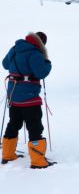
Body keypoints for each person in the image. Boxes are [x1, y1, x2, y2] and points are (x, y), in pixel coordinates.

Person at [2, 32, 54, 168]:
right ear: (41, 43)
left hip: (13, 96)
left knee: (13, 124)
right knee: (35, 127)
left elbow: (5, 64)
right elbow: (41, 73)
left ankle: (7, 155)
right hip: (30, 98)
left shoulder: (15, 48)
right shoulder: (35, 53)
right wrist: (47, 63)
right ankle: (38, 162)